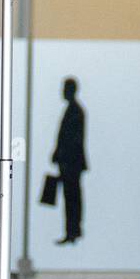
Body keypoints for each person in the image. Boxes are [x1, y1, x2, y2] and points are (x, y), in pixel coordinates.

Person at [51, 77, 87, 245]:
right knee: (72, 197)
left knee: (72, 197)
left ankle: (72, 231)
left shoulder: (75, 111)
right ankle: (73, 231)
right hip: (70, 161)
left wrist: (62, 155)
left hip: (71, 162)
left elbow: (72, 139)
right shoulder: (73, 110)